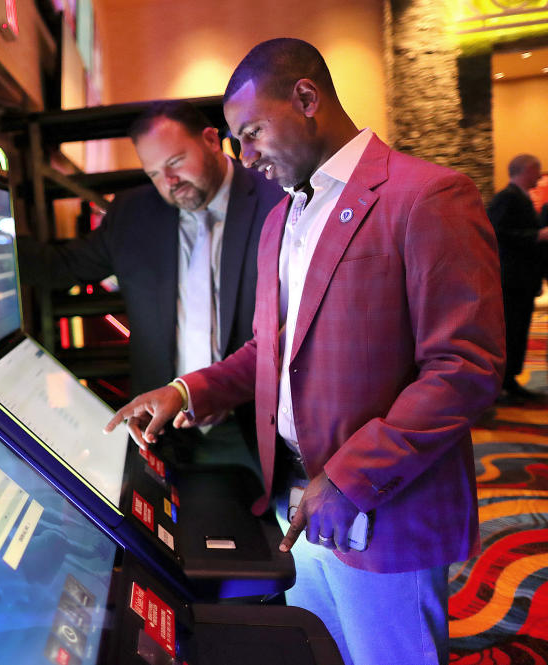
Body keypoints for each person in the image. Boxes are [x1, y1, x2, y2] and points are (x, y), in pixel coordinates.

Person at [105, 38, 504, 665]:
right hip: (295, 500)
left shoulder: (428, 196)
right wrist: (186, 391)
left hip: (380, 503)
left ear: (308, 98)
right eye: (238, 139)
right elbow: (272, 348)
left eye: (254, 131)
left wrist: (347, 478)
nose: (246, 155)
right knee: (322, 653)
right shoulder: (280, 218)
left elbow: (464, 368)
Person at [19, 101, 283, 464]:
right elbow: (59, 267)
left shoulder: (277, 198)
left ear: (211, 140)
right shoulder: (132, 213)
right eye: (155, 173)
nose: (169, 183)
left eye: (175, 163)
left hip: (262, 428)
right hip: (165, 436)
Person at [487, 154, 548, 401]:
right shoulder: (507, 197)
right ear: (526, 170)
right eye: (537, 170)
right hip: (511, 278)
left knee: (519, 329)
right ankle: (503, 382)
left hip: (521, 277)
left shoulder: (520, 197)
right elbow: (495, 232)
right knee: (511, 330)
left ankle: (511, 380)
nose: (541, 174)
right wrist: (536, 236)